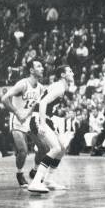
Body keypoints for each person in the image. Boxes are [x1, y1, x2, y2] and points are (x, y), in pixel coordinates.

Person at [27, 65, 75, 194]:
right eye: (70, 71)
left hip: (47, 118)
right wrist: (42, 124)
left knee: (62, 148)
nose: (73, 73)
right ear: (63, 75)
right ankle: (36, 182)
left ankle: (48, 180)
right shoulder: (59, 87)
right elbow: (42, 103)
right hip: (39, 118)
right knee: (56, 148)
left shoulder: (60, 86)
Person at [1, 59, 48, 188]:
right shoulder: (22, 84)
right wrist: (17, 112)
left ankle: (34, 170)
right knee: (23, 151)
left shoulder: (41, 88)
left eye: (42, 66)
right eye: (39, 66)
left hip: (29, 121)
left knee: (43, 148)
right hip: (17, 120)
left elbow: (36, 106)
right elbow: (4, 98)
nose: (42, 68)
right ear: (31, 70)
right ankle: (19, 173)